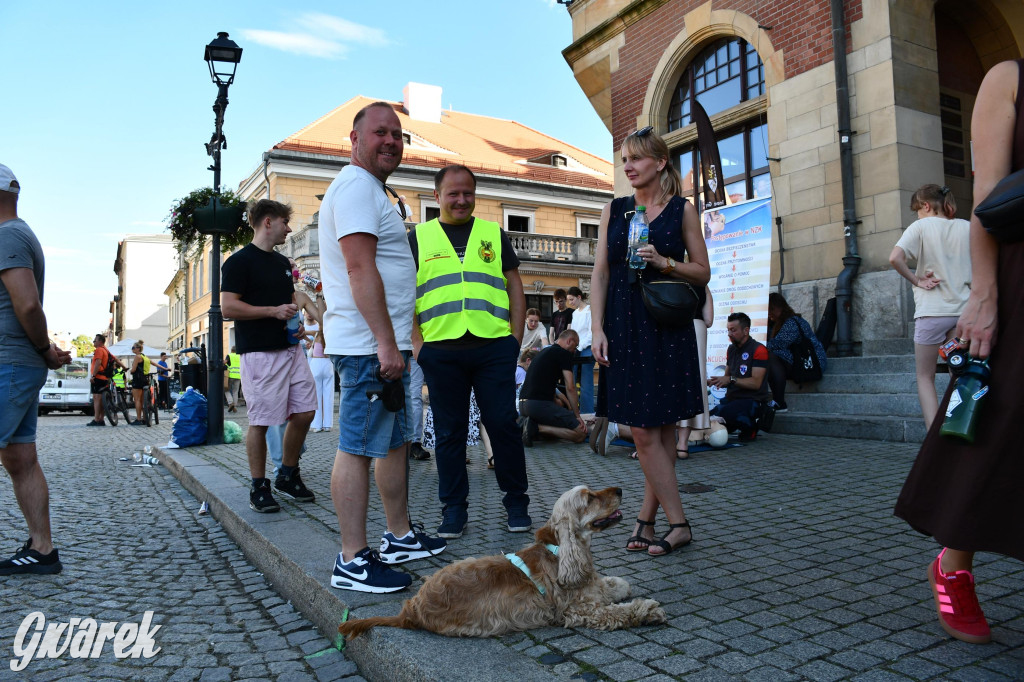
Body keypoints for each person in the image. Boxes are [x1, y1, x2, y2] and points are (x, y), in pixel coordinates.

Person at [895, 59, 1024, 646]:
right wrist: (984, 294)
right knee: (994, 420)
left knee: (931, 381)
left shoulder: (921, 231)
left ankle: (932, 427)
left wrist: (921, 284)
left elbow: (899, 260)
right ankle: (954, 561)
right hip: (1005, 286)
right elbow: (989, 203)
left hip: (934, 308)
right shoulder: (1009, 78)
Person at [319, 101, 445, 593]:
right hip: (370, 346)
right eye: (380, 133)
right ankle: (352, 559)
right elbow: (358, 268)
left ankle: (397, 536)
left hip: (382, 343)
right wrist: (386, 343)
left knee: (392, 442)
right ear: (354, 139)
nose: (391, 141)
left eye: (398, 134)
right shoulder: (354, 187)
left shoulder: (373, 190)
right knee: (356, 447)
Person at [590, 127, 710, 557]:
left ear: (659, 163)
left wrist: (666, 262)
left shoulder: (682, 210)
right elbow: (601, 273)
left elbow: (702, 271)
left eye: (637, 158)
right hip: (623, 326)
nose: (628, 166)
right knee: (644, 431)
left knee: (654, 430)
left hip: (664, 326)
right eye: (625, 158)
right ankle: (649, 518)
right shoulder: (615, 210)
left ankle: (675, 525)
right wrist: (597, 328)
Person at [410, 163, 530, 539]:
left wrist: (513, 340)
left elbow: (514, 287)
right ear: (437, 196)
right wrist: (418, 346)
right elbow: (405, 296)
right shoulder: (419, 237)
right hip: (441, 349)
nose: (461, 200)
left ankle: (516, 503)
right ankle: (453, 510)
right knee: (449, 433)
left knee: (503, 425)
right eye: (453, 193)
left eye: (468, 193)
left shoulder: (493, 233)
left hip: (493, 346)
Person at [222, 198, 318, 514]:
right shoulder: (238, 262)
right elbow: (228, 307)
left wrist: (297, 326)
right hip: (260, 354)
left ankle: (287, 474)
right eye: (284, 223)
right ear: (267, 222)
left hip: (291, 350)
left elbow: (287, 300)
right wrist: (271, 311)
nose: (289, 229)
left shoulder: (281, 263)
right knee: (262, 422)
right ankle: (259, 485)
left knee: (306, 411)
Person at [0, 162, 72, 575]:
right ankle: (42, 549)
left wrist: (45, 349)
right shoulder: (20, 233)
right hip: (18, 361)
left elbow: (27, 305)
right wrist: (45, 351)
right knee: (20, 458)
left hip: (7, 362)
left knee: (19, 458)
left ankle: (43, 548)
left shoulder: (6, 235)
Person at [888, 185, 971, 430]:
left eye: (917, 210)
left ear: (925, 206)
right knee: (959, 374)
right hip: (963, 313)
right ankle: (960, 427)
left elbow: (895, 257)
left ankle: (933, 438)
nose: (917, 216)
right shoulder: (967, 227)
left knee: (925, 377)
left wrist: (917, 280)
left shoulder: (921, 226)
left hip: (932, 313)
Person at [707, 312, 771, 441]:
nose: (729, 334)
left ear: (746, 330)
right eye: (728, 330)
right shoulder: (731, 349)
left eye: (733, 330)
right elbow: (727, 378)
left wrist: (731, 379)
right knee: (706, 421)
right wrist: (713, 382)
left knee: (721, 417)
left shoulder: (759, 350)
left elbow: (756, 383)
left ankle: (751, 426)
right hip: (732, 400)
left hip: (752, 401)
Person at [518, 330, 587, 445]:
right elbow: (570, 387)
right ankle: (536, 428)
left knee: (555, 429)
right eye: (575, 346)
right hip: (538, 405)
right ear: (569, 341)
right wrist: (577, 416)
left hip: (523, 406)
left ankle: (526, 425)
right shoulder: (563, 354)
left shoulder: (543, 352)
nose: (575, 351)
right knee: (580, 434)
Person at [765, 292, 828, 413]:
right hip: (801, 360)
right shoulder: (781, 323)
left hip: (812, 364)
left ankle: (779, 402)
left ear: (780, 307)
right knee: (770, 357)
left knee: (770, 356)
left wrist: (755, 346)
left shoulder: (791, 322)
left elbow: (778, 344)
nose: (769, 313)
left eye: (771, 309)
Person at [675, 285, 714, 458]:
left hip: (671, 328)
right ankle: (682, 445)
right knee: (692, 385)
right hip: (697, 329)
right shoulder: (702, 284)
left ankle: (659, 445)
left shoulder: (668, 275)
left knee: (669, 384)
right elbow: (709, 320)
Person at [566, 286, 595, 415]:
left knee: (586, 382)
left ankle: (587, 412)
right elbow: (574, 332)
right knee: (570, 380)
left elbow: (591, 334)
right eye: (568, 300)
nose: (570, 303)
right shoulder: (574, 313)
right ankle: (573, 410)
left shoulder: (590, 311)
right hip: (575, 348)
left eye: (571, 299)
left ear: (579, 297)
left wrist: (579, 346)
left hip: (587, 348)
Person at [87, 333, 125, 426]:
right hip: (106, 378)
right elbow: (116, 359)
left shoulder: (99, 350)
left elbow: (98, 362)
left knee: (97, 398)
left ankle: (96, 419)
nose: (93, 342)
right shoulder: (106, 350)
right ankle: (101, 418)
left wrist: (93, 376)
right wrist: (124, 367)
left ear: (100, 342)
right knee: (102, 399)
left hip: (98, 377)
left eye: (95, 340)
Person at [306, 309, 334, 433]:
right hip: (327, 363)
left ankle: (317, 425)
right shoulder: (330, 334)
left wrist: (310, 342)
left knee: (316, 396)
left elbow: (302, 333)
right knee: (328, 395)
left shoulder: (316, 333)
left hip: (316, 363)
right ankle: (327, 425)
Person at [128, 341, 151, 425]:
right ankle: (145, 418)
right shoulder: (144, 357)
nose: (132, 349)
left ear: (138, 349)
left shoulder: (137, 357)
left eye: (133, 348)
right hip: (145, 379)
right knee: (142, 400)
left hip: (137, 379)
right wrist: (164, 368)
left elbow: (133, 369)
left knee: (137, 400)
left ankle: (138, 419)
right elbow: (153, 363)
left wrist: (130, 371)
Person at [225, 346, 242, 413]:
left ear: (231, 350)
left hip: (230, 375)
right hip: (238, 376)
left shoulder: (229, 355)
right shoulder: (239, 356)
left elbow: (225, 362)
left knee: (226, 389)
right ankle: (234, 406)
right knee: (235, 391)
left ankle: (230, 402)